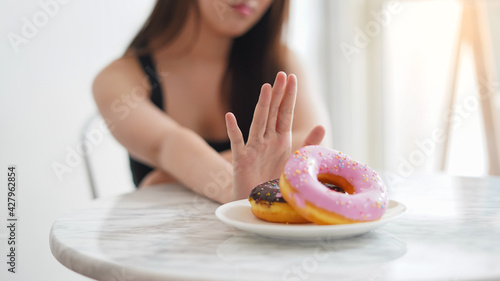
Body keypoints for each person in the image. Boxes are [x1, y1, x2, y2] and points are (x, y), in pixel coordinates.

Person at [92, 0, 330, 203]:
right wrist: (234, 185)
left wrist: (175, 177)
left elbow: (315, 144)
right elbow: (170, 145)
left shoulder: (281, 61)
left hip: (266, 248)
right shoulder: (119, 79)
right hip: (164, 251)